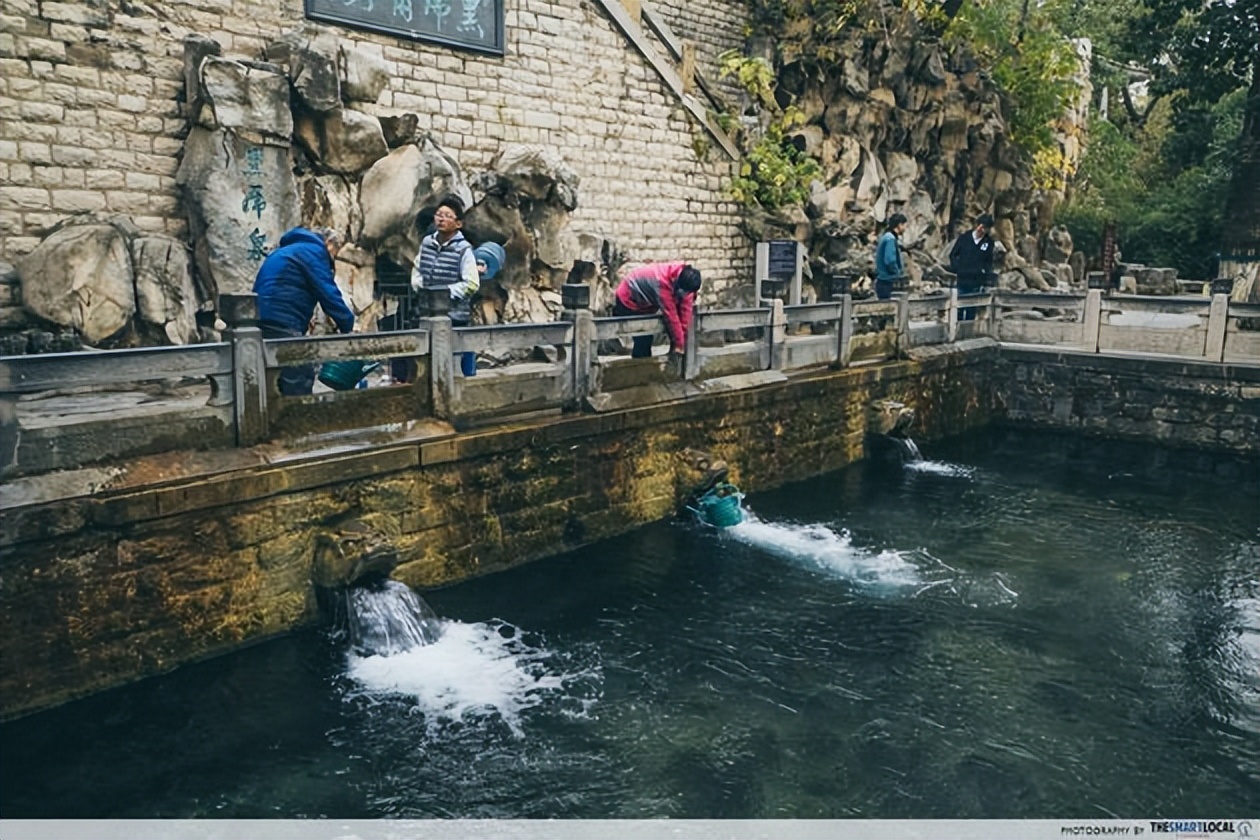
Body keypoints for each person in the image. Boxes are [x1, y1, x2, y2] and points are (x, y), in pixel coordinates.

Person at [252, 226, 354, 396]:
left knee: (272, 375)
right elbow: (328, 293)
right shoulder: (314, 251)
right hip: (281, 318)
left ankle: (272, 417)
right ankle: (296, 419)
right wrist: (347, 324)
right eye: (335, 252)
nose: (333, 258)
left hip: (259, 316)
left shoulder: (288, 250)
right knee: (298, 372)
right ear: (328, 243)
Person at [410, 195, 481, 377]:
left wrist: (443, 294)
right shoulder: (427, 243)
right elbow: (418, 269)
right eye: (439, 214)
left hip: (454, 317)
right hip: (425, 313)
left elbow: (472, 283)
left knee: (452, 368)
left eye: (447, 216)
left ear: (458, 224)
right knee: (426, 367)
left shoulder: (464, 249)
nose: (441, 219)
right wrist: (420, 287)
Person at [613, 262, 701, 358]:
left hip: (647, 303)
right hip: (628, 298)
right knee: (643, 337)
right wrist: (679, 344)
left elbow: (685, 315)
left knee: (654, 335)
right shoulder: (662, 282)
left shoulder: (687, 285)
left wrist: (682, 341)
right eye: (684, 292)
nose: (685, 295)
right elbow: (671, 317)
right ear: (678, 284)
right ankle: (640, 367)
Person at [948, 212, 996, 321]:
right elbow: (953, 255)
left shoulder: (988, 242)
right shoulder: (964, 238)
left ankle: (968, 332)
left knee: (971, 309)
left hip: (976, 281)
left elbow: (989, 262)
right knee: (959, 307)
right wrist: (958, 268)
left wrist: (985, 275)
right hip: (963, 278)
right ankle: (957, 331)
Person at [874, 213, 908, 300]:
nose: (905, 228)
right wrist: (897, 273)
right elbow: (890, 260)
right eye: (904, 225)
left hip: (882, 281)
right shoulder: (890, 239)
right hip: (887, 282)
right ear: (899, 225)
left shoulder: (886, 236)